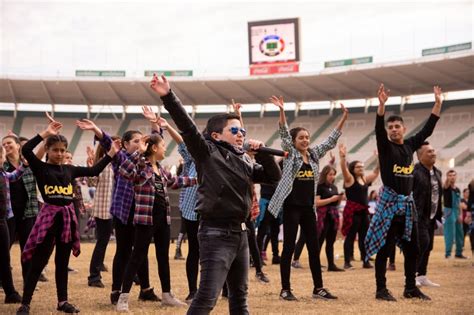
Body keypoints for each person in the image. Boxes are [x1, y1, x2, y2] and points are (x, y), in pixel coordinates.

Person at [150, 74, 281, 315]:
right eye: (234, 130)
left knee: (239, 299)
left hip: (241, 232)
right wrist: (168, 96)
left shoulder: (244, 160)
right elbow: (187, 127)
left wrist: (262, 153)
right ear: (216, 136)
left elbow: (273, 177)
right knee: (207, 298)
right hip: (216, 233)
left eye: (242, 129)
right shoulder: (206, 153)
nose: (241, 133)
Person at [16, 116, 119, 315]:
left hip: (66, 221)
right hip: (48, 219)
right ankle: (25, 303)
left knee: (62, 264)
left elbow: (94, 170)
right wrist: (45, 133)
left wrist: (111, 154)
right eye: (55, 150)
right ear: (47, 150)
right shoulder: (41, 167)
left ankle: (62, 302)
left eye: (63, 150)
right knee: (38, 262)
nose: (60, 153)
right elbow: (26, 150)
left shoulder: (70, 170)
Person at [365, 84, 443, 302]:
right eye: (390, 127)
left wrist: (437, 104)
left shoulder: (409, 146)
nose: (393, 130)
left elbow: (428, 129)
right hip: (389, 206)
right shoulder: (385, 147)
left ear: (404, 128)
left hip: (407, 207)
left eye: (397, 126)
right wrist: (381, 107)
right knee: (384, 248)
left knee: (413, 249)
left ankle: (410, 288)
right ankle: (381, 289)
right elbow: (378, 130)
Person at [267, 95, 348, 301]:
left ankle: (318, 288)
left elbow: (330, 141)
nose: (305, 140)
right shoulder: (292, 155)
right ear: (294, 142)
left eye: (307, 137)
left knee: (313, 248)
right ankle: (285, 289)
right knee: (288, 248)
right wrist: (282, 111)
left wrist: (344, 118)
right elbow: (284, 134)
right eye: (301, 137)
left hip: (308, 209)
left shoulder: (313, 155)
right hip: (292, 207)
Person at [76, 115, 159, 305]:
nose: (140, 144)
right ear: (125, 145)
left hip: (141, 212)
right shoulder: (121, 158)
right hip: (123, 212)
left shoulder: (146, 159)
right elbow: (106, 142)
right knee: (122, 251)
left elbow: (155, 138)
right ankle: (115, 290)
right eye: (136, 141)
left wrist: (154, 123)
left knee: (141, 251)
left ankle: (145, 289)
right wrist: (96, 129)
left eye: (141, 140)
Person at [116, 127, 197, 311]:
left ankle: (167, 295)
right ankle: (123, 298)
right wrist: (139, 152)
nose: (165, 149)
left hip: (162, 218)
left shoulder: (160, 169)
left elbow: (176, 182)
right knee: (136, 256)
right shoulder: (141, 165)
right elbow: (124, 171)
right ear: (153, 149)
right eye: (162, 145)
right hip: (146, 218)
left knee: (163, 257)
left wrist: (197, 179)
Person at [2, 134, 39, 284]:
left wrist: (46, 134)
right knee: (4, 248)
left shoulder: (28, 162)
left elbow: (41, 152)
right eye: (3, 144)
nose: (6, 146)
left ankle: (28, 281)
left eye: (9, 143)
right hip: (8, 214)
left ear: (18, 145)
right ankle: (3, 280)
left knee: (27, 249)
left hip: (27, 212)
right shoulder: (1, 165)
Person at [339, 144, 379, 269]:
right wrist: (342, 157)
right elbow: (344, 170)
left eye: (362, 166)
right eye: (358, 167)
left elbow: (376, 172)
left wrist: (379, 158)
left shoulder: (364, 179)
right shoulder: (349, 179)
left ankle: (365, 260)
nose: (361, 168)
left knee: (364, 238)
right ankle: (347, 262)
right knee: (350, 237)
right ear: (353, 168)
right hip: (352, 212)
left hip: (363, 213)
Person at [86, 139, 118, 288]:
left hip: (118, 209)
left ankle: (134, 276)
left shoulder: (120, 164)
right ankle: (94, 276)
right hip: (104, 209)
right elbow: (91, 182)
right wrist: (90, 165)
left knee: (125, 243)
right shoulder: (102, 163)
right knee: (102, 242)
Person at [413, 141, 442, 287]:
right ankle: (411, 276)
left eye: (433, 150)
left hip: (432, 216)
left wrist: (438, 215)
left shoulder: (437, 172)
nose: (433, 153)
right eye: (429, 152)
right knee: (421, 244)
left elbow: (437, 195)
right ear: (419, 156)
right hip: (418, 216)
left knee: (428, 246)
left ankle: (422, 275)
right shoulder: (415, 173)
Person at [0, 144, 25, 304]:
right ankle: (10, 293)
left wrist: (25, 165)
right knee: (3, 257)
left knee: (4, 257)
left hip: (3, 219)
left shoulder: (2, 173)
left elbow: (14, 176)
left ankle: (10, 293)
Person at [442, 170, 466, 259]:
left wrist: (460, 214)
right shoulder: (446, 187)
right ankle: (448, 254)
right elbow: (446, 184)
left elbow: (459, 202)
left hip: (457, 211)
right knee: (450, 233)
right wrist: (447, 179)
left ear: (456, 177)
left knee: (460, 233)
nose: (452, 177)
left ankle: (458, 253)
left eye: (454, 175)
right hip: (449, 211)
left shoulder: (457, 189)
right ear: (447, 177)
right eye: (450, 175)